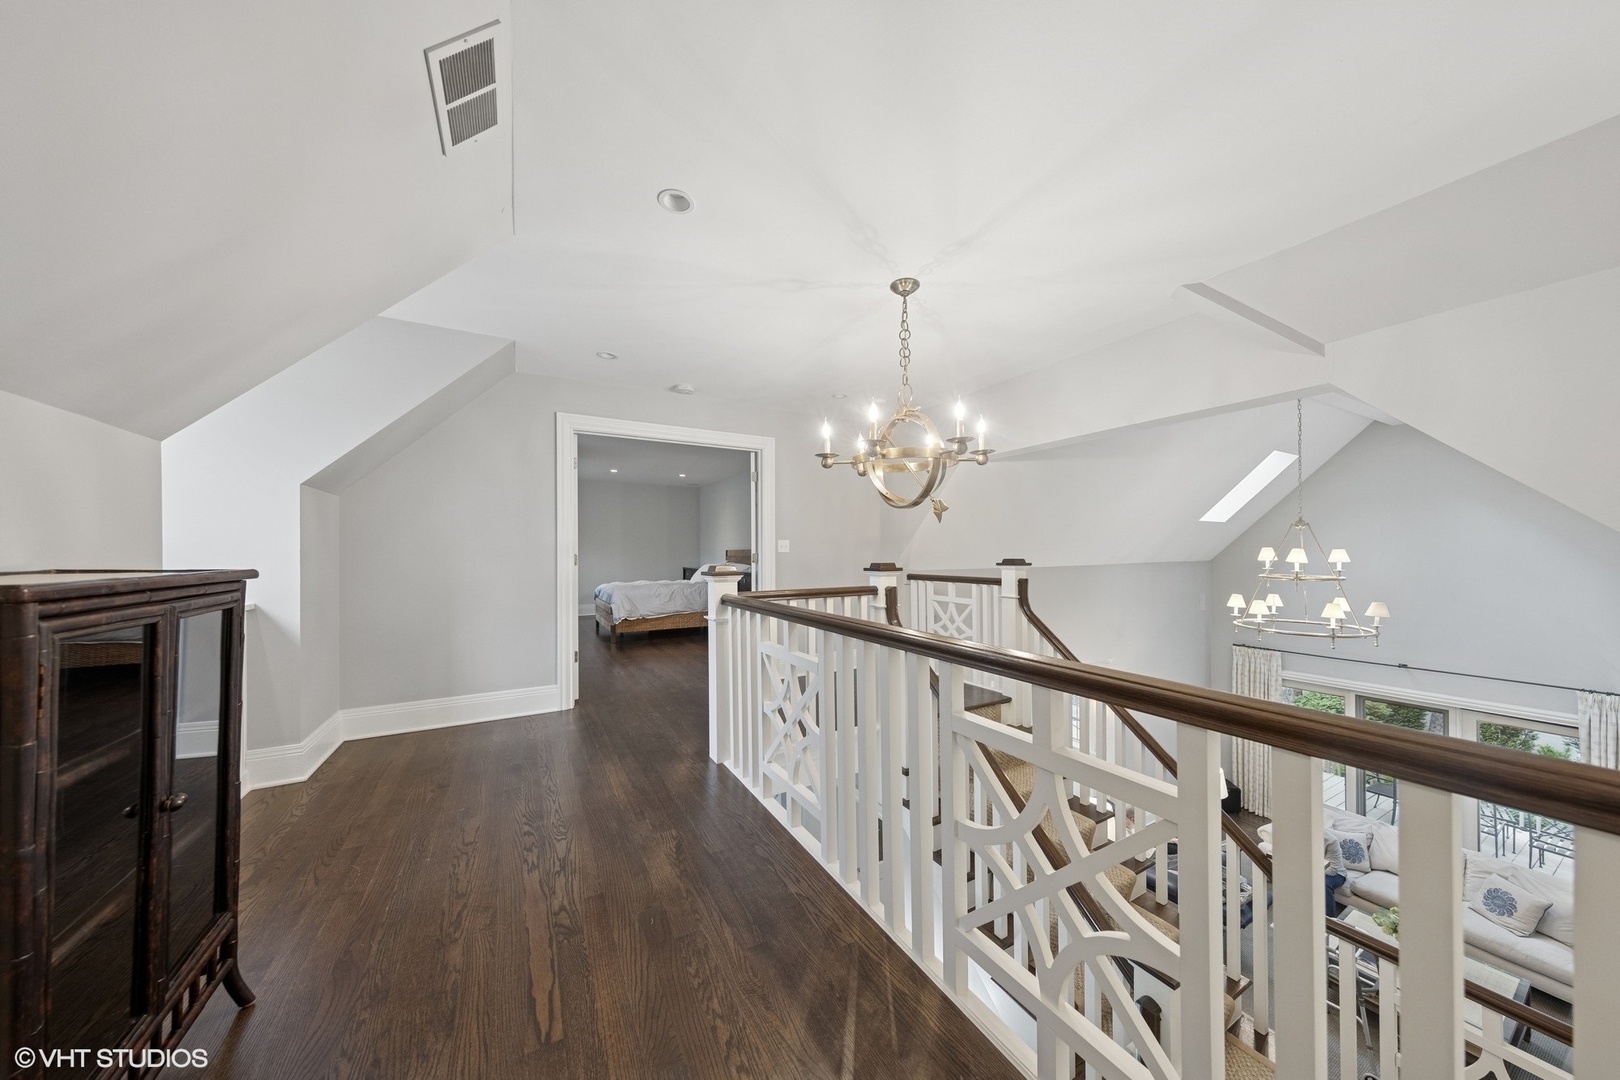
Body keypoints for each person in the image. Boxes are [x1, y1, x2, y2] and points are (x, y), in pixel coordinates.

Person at [1324, 831, 1346, 917]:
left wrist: (1311, 872)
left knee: (1324, 884)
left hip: (1337, 874)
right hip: (1314, 869)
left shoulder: (1331, 840)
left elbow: (1333, 869)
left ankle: (1330, 919)